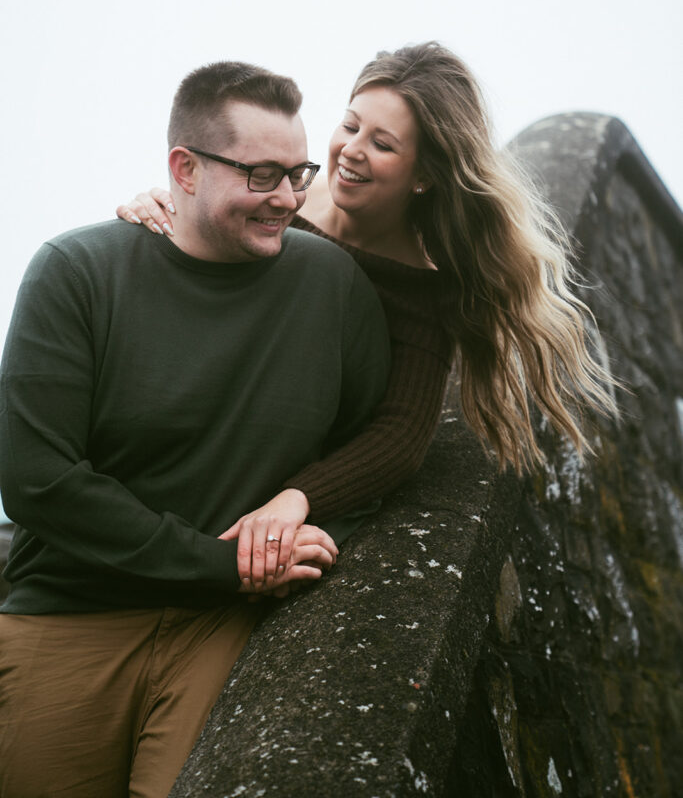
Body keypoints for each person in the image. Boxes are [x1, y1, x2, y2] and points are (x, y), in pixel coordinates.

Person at [0, 60, 392, 798]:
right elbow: (37, 480)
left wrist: (296, 520)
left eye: (297, 173)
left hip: (223, 628)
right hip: (68, 618)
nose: (287, 199)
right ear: (184, 168)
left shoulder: (330, 286)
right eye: (262, 175)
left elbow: (370, 443)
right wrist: (223, 564)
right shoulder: (74, 271)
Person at [119, 42, 617, 550]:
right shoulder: (281, 200)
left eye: (383, 144)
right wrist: (164, 207)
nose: (352, 149)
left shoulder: (423, 283)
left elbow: (400, 434)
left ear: (423, 175)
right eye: (351, 125)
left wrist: (299, 497)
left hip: (270, 465)